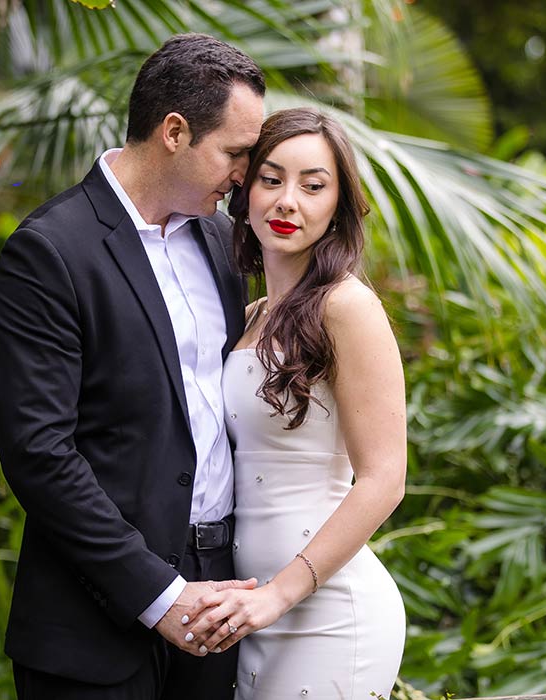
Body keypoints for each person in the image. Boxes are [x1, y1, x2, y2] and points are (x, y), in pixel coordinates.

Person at [0, 34, 266, 700]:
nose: (245, 176)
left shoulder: (226, 244)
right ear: (174, 132)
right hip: (92, 623)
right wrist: (159, 594)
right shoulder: (50, 252)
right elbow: (39, 453)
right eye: (235, 152)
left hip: (222, 605)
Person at [183, 107, 407, 698]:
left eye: (313, 187)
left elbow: (385, 480)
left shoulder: (347, 307)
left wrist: (281, 592)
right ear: (245, 189)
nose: (288, 202)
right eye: (272, 179)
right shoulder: (251, 317)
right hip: (253, 610)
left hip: (328, 610)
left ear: (337, 206)